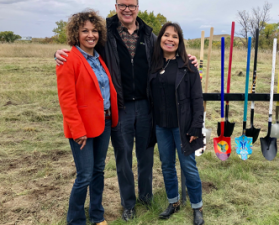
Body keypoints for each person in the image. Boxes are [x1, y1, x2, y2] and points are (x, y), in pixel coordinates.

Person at [55, 0, 198, 221]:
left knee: (146, 156)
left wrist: (188, 58)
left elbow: (169, 54)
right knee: (123, 157)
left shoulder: (150, 36)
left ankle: (146, 197)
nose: (127, 9)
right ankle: (128, 203)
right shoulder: (106, 35)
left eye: (132, 5)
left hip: (146, 105)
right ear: (116, 6)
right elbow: (83, 50)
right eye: (123, 4)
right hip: (119, 107)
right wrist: (57, 54)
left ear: (138, 7)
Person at [56, 10, 118, 225]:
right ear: (76, 33)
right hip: (82, 127)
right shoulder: (68, 59)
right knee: (84, 175)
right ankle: (75, 220)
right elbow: (67, 100)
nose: (90, 35)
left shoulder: (99, 58)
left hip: (105, 122)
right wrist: (77, 130)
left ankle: (97, 216)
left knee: (98, 171)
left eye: (94, 31)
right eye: (85, 31)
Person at [148, 22, 205, 225]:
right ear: (160, 38)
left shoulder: (188, 67)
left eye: (174, 36)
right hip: (161, 127)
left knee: (189, 167)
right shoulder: (154, 65)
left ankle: (197, 207)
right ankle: (173, 203)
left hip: (183, 127)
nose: (169, 39)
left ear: (179, 41)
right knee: (167, 166)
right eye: (166, 35)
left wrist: (196, 127)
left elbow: (197, 99)